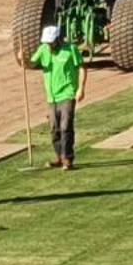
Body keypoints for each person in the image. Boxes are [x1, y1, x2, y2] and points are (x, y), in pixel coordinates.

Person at [29, 24, 86, 169]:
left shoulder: (70, 49)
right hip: (51, 97)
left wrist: (81, 89)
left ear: (58, 39)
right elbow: (31, 63)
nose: (48, 45)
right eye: (46, 43)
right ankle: (59, 157)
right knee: (54, 129)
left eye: (51, 42)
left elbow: (82, 68)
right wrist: (22, 58)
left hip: (67, 94)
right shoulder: (43, 50)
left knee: (66, 127)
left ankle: (67, 158)